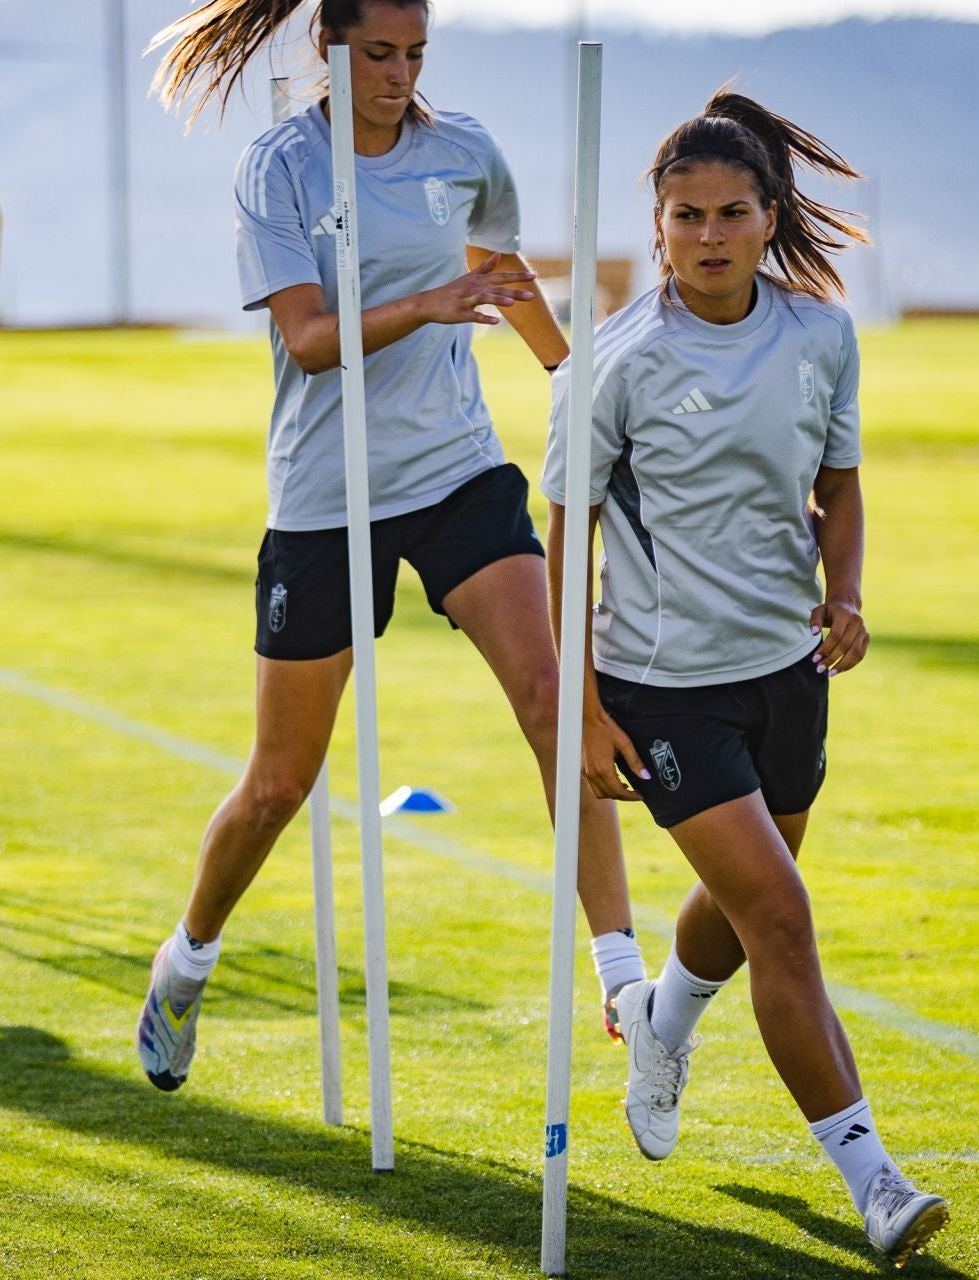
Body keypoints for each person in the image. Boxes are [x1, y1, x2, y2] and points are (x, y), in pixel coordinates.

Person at [134, 0, 643, 1094]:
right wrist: (431, 299)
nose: (398, 74)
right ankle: (187, 960)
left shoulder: (461, 151)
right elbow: (311, 342)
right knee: (280, 781)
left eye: (415, 53)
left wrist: (576, 385)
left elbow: (505, 280)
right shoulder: (280, 169)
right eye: (378, 53)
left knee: (553, 695)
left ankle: (622, 975)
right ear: (330, 48)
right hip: (326, 496)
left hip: (456, 468)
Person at [541, 90, 948, 1267]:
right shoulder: (612, 361)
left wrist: (849, 594)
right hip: (664, 688)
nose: (707, 235)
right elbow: (564, 531)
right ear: (653, 225)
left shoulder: (821, 334)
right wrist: (580, 703)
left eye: (730, 212)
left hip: (789, 669)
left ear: (769, 217)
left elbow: (843, 481)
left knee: (741, 902)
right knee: (780, 913)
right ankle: (877, 1180)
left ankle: (659, 1016)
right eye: (684, 216)